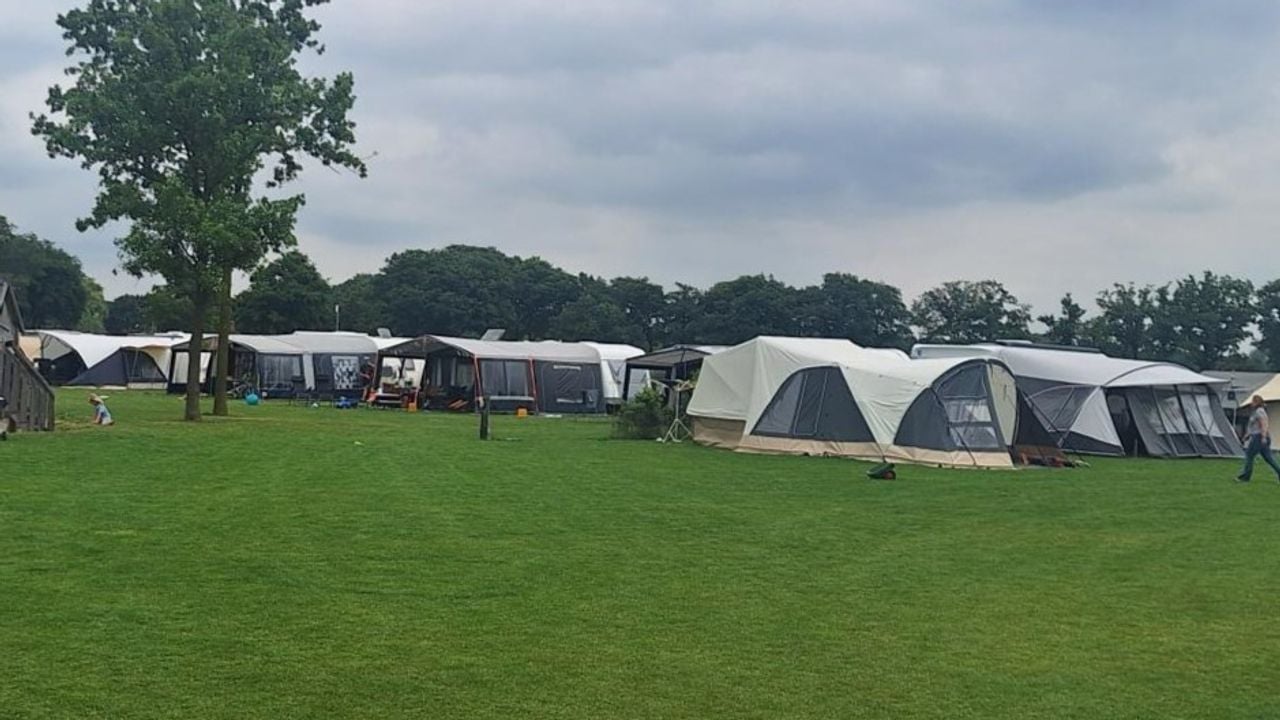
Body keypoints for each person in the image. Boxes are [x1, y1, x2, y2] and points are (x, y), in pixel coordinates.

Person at [1237, 394, 1279, 482]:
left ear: (1257, 402)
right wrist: (1247, 436)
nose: (1251, 403)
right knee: (1268, 458)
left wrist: (1263, 437)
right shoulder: (1256, 412)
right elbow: (1253, 426)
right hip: (1258, 436)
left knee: (1249, 455)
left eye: (1253, 401)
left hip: (1259, 437)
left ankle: (1245, 477)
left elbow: (1264, 424)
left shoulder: (1260, 411)